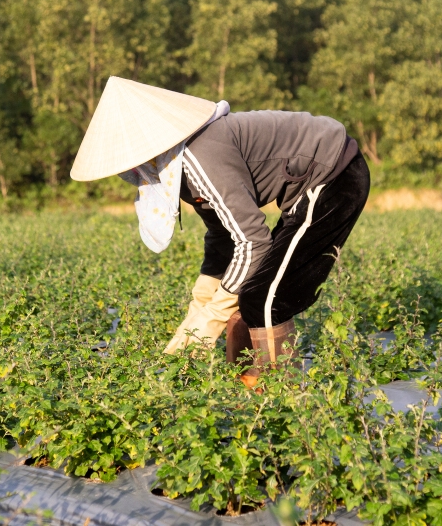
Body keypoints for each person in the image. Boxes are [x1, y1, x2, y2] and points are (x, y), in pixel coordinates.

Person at [71, 76, 369, 385]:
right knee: (248, 291)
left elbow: (253, 241)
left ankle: (277, 399)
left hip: (335, 174)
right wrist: (201, 299)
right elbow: (223, 234)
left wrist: (211, 318)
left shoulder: (200, 157)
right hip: (308, 186)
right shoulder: (175, 168)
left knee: (265, 296)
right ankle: (239, 385)